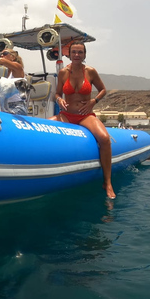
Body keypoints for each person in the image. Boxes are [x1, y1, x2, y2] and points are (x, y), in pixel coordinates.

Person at [50, 42, 115, 199]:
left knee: (105, 139)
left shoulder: (90, 72)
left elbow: (103, 90)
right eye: (74, 52)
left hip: (85, 115)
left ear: (84, 55)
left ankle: (107, 182)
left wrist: (94, 101)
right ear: (69, 54)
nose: (77, 55)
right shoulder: (63, 73)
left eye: (80, 52)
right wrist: (59, 100)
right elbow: (57, 94)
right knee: (43, 128)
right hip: (66, 115)